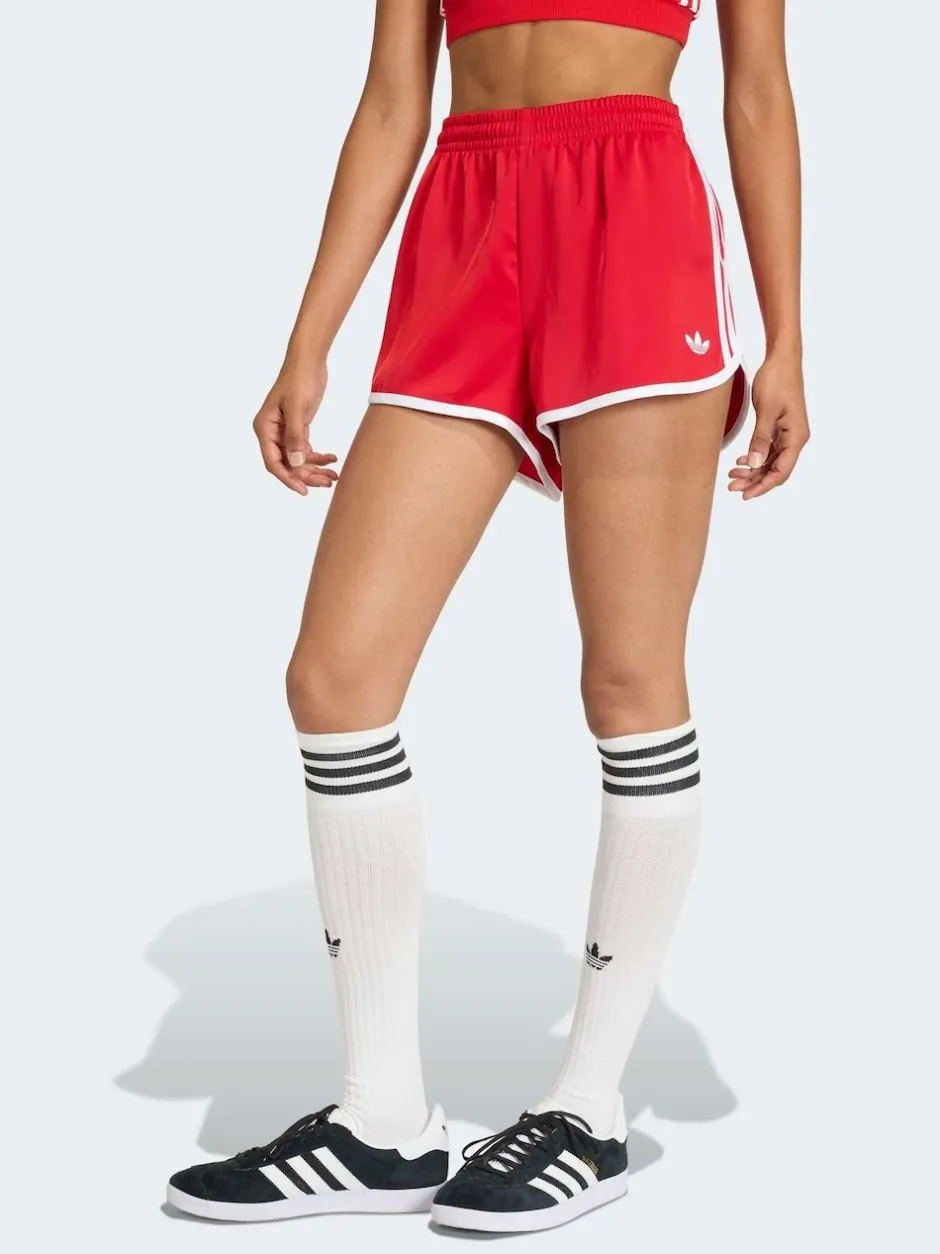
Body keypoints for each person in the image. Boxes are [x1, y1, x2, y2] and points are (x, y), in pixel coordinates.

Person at [166, 0, 808, 1234]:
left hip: (633, 218)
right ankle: (381, 1123)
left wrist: (785, 340)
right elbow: (390, 104)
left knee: (628, 681)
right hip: (463, 225)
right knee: (334, 680)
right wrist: (309, 342)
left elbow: (758, 91)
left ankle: (587, 1110)